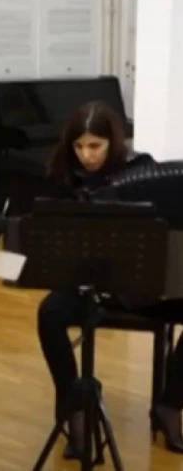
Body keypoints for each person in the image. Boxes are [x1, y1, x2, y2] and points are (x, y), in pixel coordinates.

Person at [37, 100, 183, 458]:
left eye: (95, 146)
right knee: (49, 314)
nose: (86, 155)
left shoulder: (142, 170)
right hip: (86, 283)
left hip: (144, 285)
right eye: (79, 146)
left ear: (112, 142)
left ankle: (170, 404)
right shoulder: (62, 178)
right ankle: (75, 411)